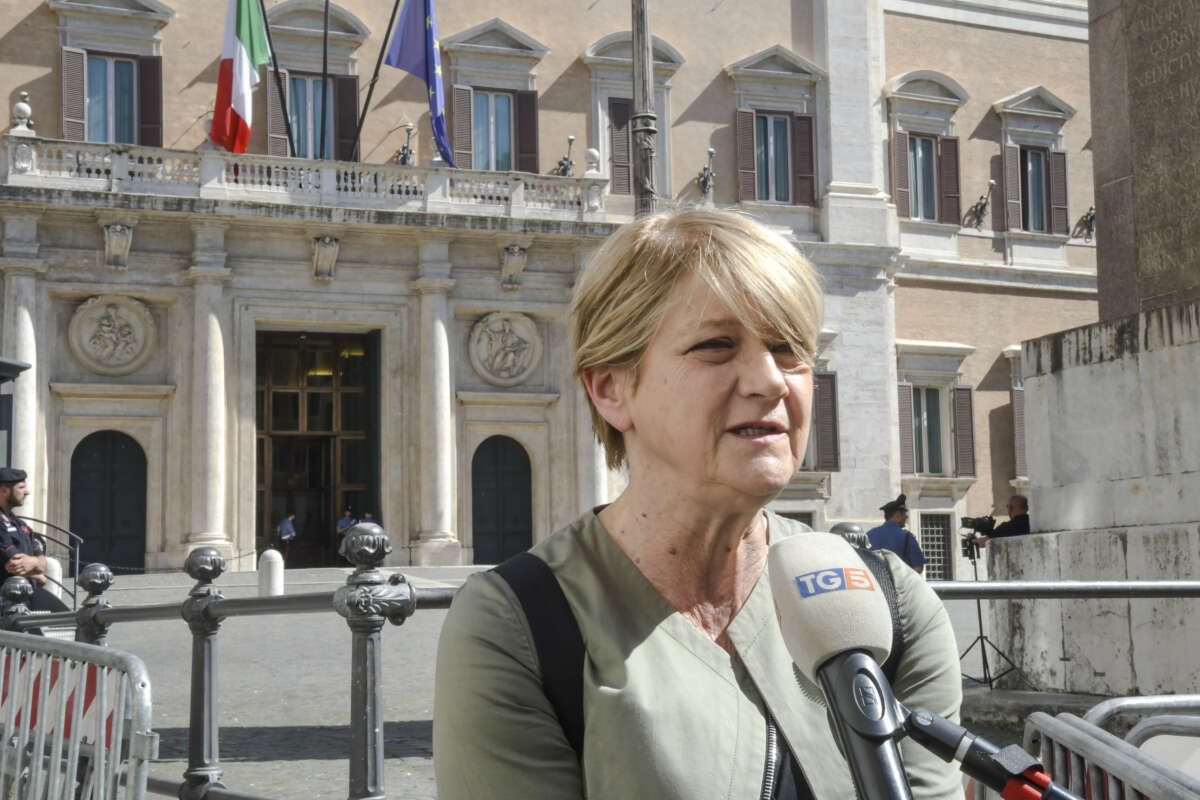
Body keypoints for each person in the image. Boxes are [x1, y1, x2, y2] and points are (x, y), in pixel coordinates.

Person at [433, 209, 962, 799]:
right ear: (611, 389)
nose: (771, 381)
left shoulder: (893, 604)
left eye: (788, 348)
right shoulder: (514, 629)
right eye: (715, 346)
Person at [0, 467, 68, 613]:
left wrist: (37, 567)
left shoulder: (21, 525)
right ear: (4, 490)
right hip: (7, 595)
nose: (27, 492)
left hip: (27, 592)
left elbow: (42, 561)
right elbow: (16, 564)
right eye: (21, 487)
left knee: (71, 619)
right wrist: (37, 574)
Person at [866, 494, 926, 574]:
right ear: (897, 515)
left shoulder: (869, 535)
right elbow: (918, 568)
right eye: (904, 514)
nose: (906, 517)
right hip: (899, 582)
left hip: (875, 581)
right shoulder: (907, 537)